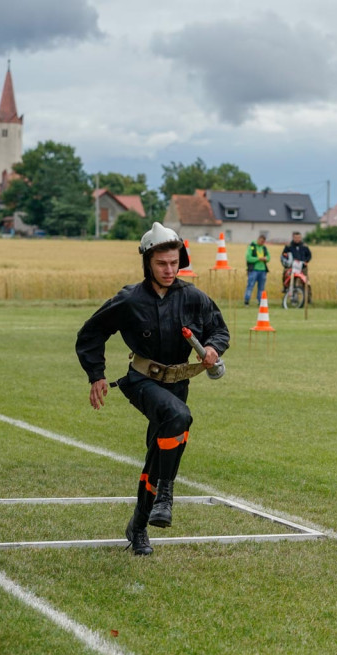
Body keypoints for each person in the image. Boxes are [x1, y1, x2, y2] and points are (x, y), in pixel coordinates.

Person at [76, 222, 230, 556]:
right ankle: (166, 495)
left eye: (174, 263)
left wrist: (213, 347)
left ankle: (138, 527)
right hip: (142, 382)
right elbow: (91, 333)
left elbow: (219, 330)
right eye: (161, 263)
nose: (169, 270)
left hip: (178, 384)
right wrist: (96, 375)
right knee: (179, 417)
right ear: (148, 262)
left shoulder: (193, 297)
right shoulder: (129, 299)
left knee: (159, 453)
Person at [244, 234, 270, 305]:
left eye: (263, 242)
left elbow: (268, 257)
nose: (262, 243)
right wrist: (258, 259)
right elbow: (248, 258)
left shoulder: (264, 248)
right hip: (253, 270)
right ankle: (247, 300)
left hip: (263, 270)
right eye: (261, 241)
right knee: (250, 285)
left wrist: (265, 258)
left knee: (261, 287)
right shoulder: (252, 246)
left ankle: (260, 301)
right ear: (258, 239)